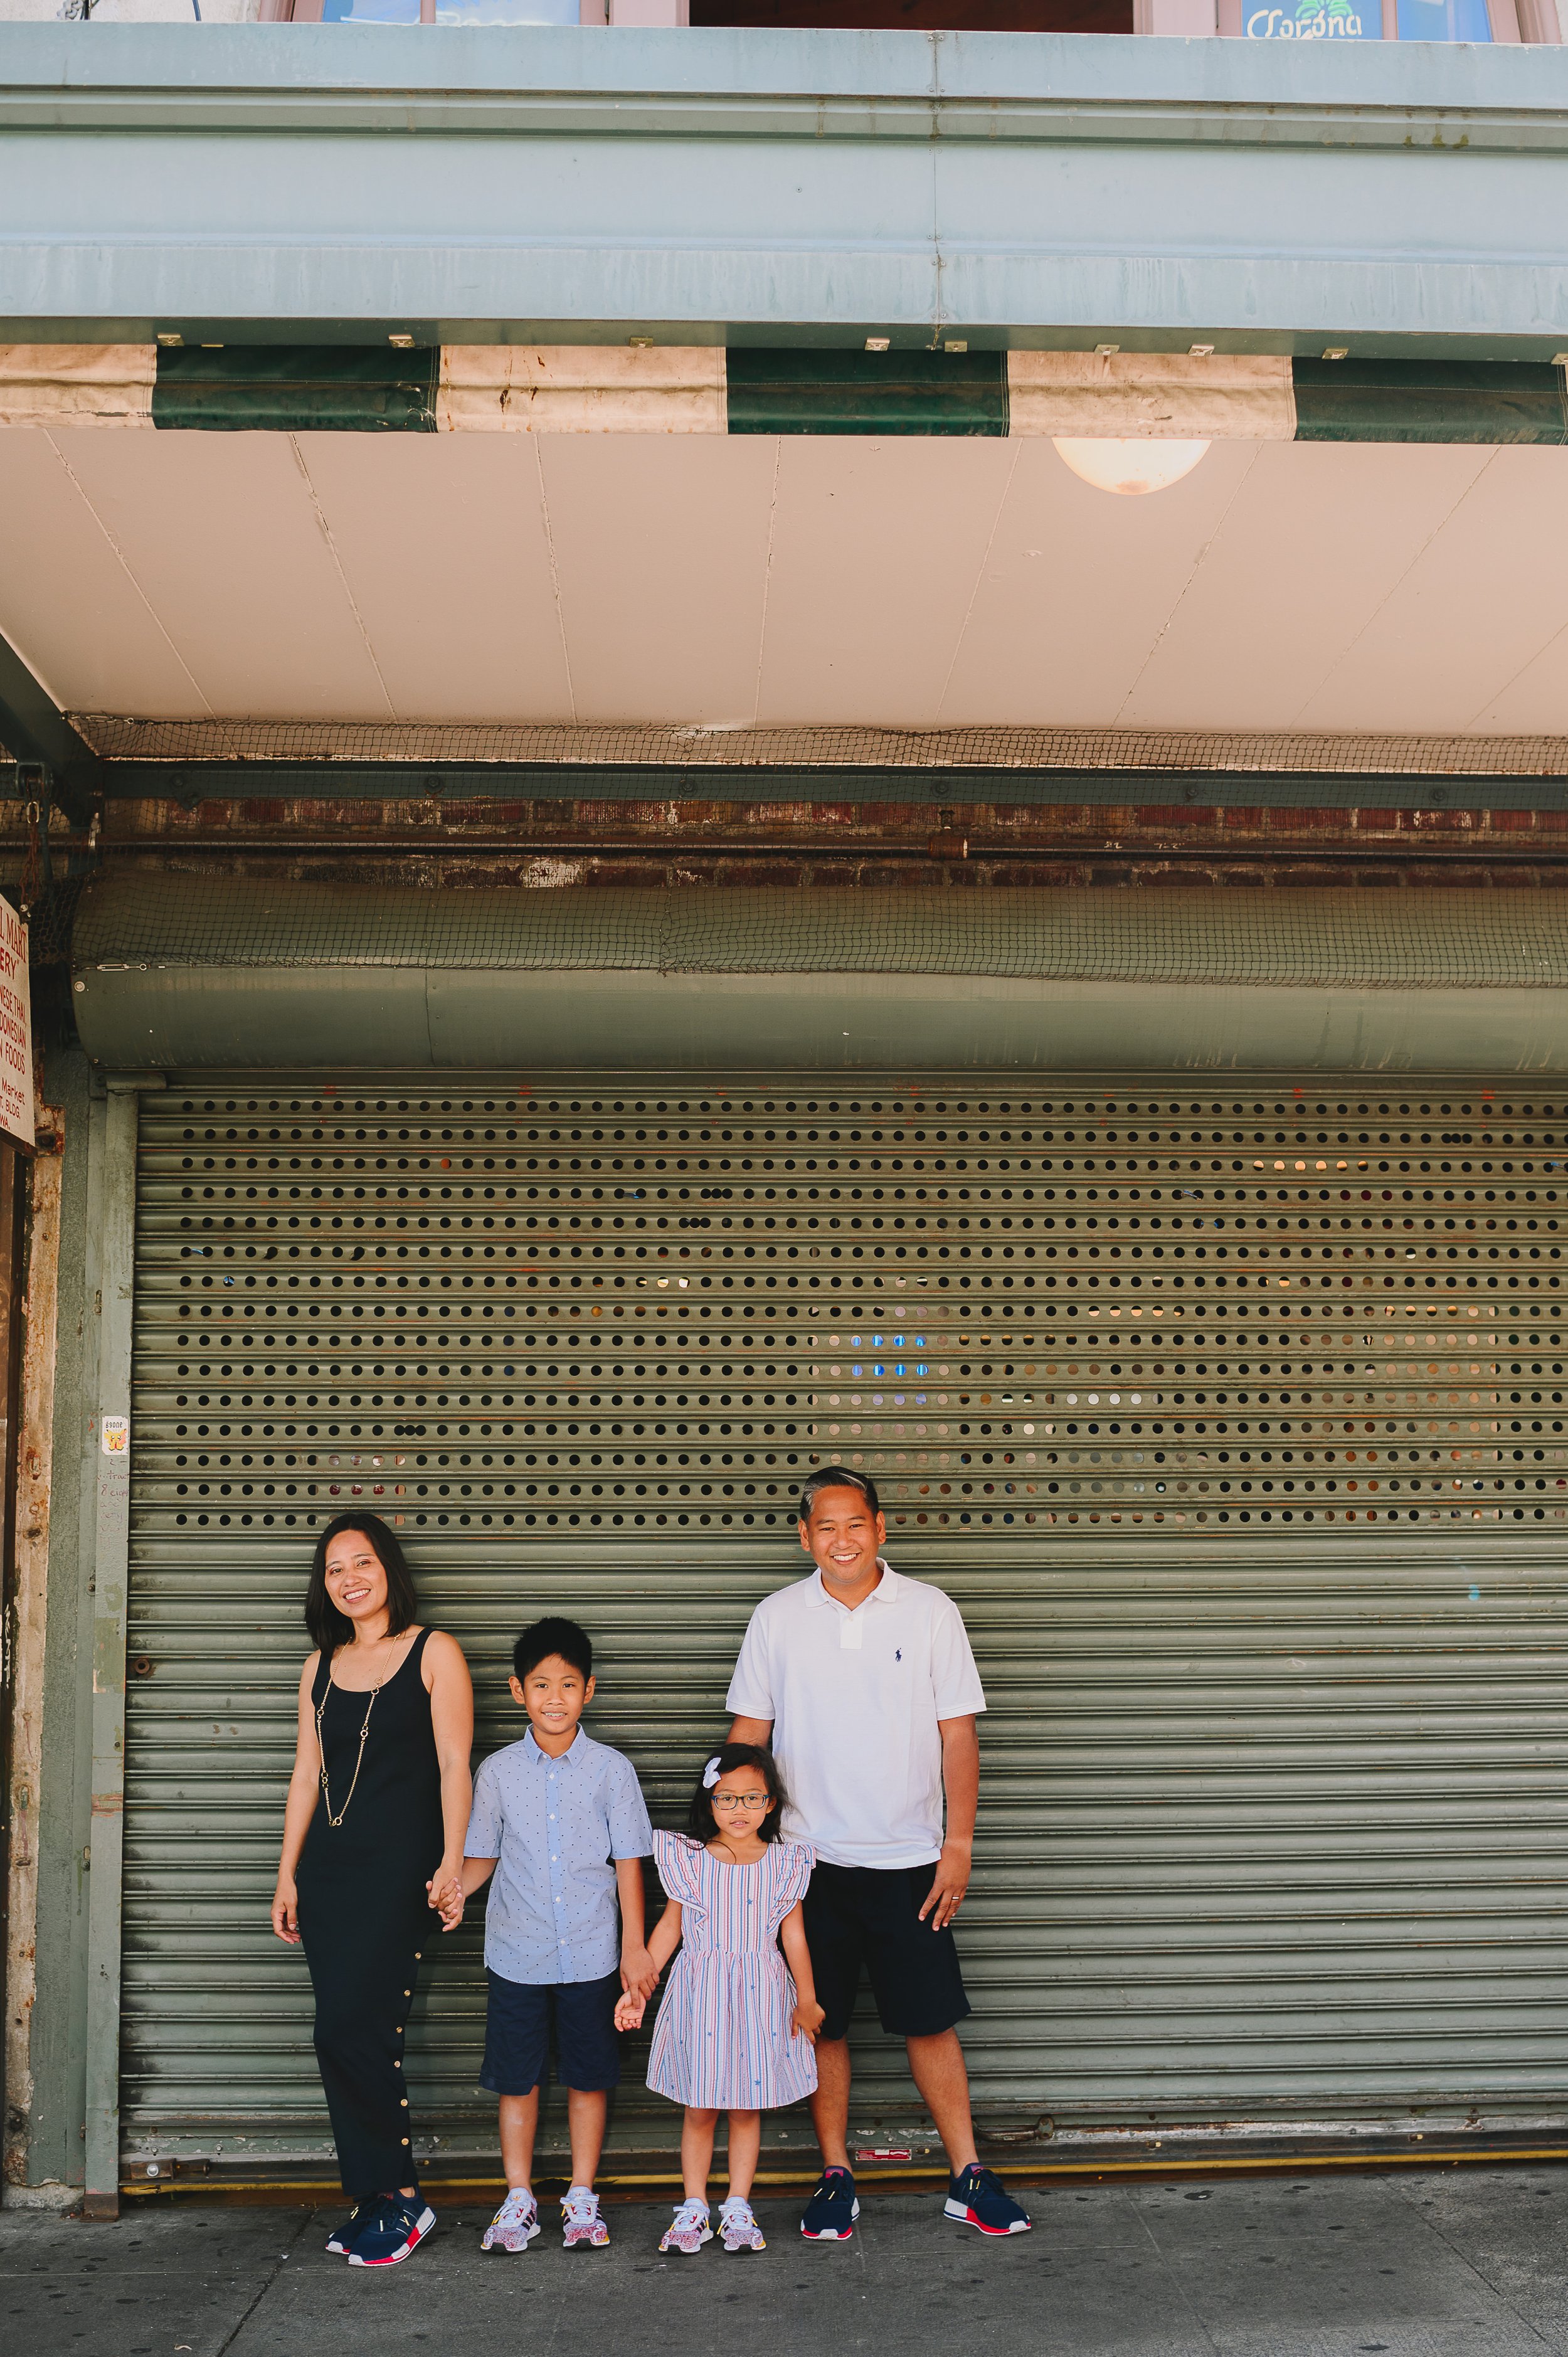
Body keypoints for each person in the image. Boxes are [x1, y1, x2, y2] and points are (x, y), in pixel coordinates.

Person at [726, 1465, 1031, 2242]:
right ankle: (836, 2175)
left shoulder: (929, 1611)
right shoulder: (776, 1617)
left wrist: (956, 1845)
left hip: (910, 1864)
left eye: (854, 1522)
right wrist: (739, 1850)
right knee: (821, 2023)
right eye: (824, 1526)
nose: (841, 1538)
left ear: (880, 1527)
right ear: (805, 1536)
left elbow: (957, 1733)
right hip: (805, 1865)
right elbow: (746, 1739)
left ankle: (967, 2173)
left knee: (930, 2021)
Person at [271, 1512, 474, 2268]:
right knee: (342, 2032)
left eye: (362, 1562)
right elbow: (305, 1772)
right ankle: (382, 2196)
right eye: (334, 1568)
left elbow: (458, 1765)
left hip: (398, 1870)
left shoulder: (432, 1651)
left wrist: (453, 1861)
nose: (349, 1577)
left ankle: (401, 2199)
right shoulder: (319, 1664)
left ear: (388, 1568)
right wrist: (287, 1870)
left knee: (360, 2030)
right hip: (327, 1871)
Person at [444, 1616, 656, 2256]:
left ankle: (582, 2194)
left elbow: (629, 1863)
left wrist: (635, 1945)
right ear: (518, 1690)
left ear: (588, 1689)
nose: (555, 1697)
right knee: (519, 2079)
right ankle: (518, 2197)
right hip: (518, 1953)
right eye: (541, 1684)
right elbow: (481, 1853)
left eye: (568, 1683)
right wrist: (453, 1888)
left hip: (592, 1954)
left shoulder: (612, 1770)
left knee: (590, 2079)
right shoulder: (499, 1771)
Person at [615, 1744, 822, 2257]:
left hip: (761, 1994)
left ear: (771, 1804)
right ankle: (693, 2206)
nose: (739, 1809)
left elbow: (794, 1938)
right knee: (700, 2106)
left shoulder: (785, 1864)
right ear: (710, 1803)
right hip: (701, 1993)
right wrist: (640, 1987)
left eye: (752, 1798)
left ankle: (736, 2205)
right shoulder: (690, 1861)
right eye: (727, 1798)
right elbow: (670, 1929)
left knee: (747, 2109)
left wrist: (808, 1999)